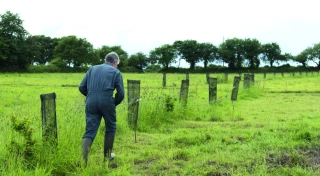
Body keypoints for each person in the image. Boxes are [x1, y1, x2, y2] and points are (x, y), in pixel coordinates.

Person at [79, 52, 125, 165]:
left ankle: (83, 161)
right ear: (115, 63)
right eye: (117, 64)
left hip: (91, 101)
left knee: (90, 131)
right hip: (107, 100)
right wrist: (113, 102)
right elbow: (121, 94)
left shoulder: (92, 69)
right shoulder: (116, 72)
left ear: (106, 60)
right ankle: (107, 158)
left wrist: (91, 96)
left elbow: (81, 87)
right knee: (111, 127)